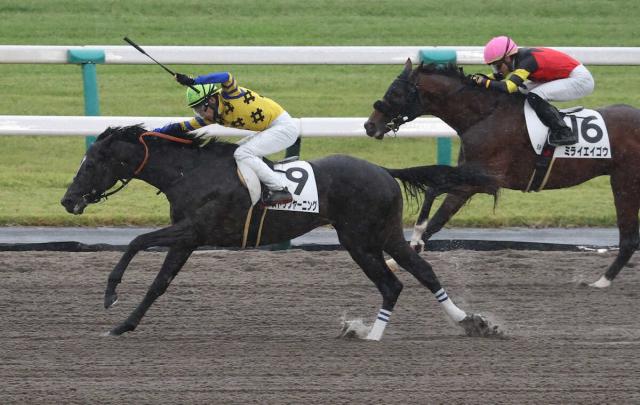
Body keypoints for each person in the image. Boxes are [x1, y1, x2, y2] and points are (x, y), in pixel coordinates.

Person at [153, 71, 298, 206]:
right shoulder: (212, 116)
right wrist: (153, 133)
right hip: (270, 129)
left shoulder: (230, 95)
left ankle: (280, 190)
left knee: (242, 153)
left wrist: (195, 81)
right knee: (233, 151)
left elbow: (226, 76)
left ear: (211, 100)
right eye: (196, 110)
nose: (200, 114)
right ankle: (259, 187)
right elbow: (182, 127)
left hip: (283, 128)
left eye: (200, 109)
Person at [470, 36, 595, 146]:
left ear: (507, 58)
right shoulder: (518, 59)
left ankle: (563, 132)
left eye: (497, 65)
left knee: (535, 95)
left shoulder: (527, 61)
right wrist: (477, 79)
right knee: (520, 92)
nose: (497, 70)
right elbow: (500, 77)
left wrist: (484, 82)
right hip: (563, 76)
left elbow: (509, 86)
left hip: (580, 79)